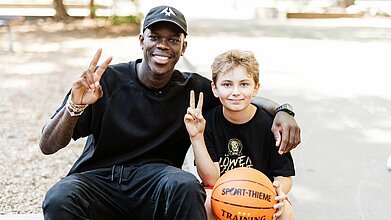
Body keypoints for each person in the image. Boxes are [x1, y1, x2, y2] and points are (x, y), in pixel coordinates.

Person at [39, 5, 300, 220]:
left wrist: (282, 111)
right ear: (142, 40)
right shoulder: (106, 82)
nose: (163, 45)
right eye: (154, 37)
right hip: (100, 178)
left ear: (183, 47)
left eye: (173, 39)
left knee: (187, 186)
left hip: (156, 181)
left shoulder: (193, 88)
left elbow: (236, 96)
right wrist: (74, 108)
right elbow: (47, 145)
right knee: (59, 198)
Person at [184, 49, 295, 220]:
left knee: (285, 209)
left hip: (259, 193)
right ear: (215, 88)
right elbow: (211, 179)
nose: (236, 91)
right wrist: (196, 137)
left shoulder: (270, 125)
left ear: (256, 88)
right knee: (206, 202)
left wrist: (277, 191)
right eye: (227, 84)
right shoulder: (207, 122)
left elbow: (284, 174)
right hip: (221, 190)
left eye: (244, 84)